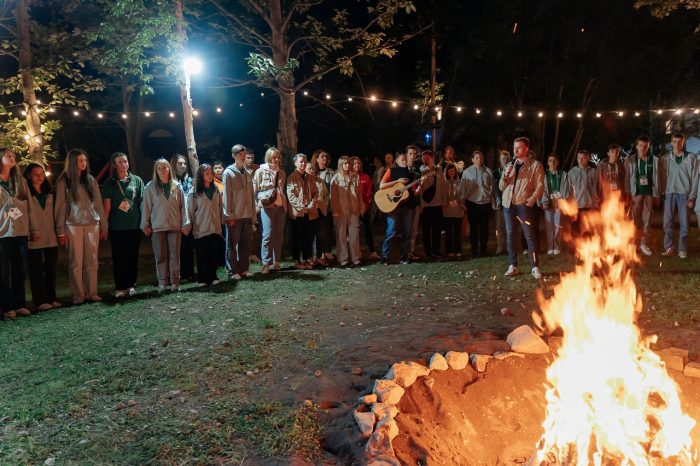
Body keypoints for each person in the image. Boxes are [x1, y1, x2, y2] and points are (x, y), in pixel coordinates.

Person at [55, 149, 108, 304]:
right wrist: (60, 231)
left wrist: (104, 226)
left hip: (92, 224)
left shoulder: (90, 180)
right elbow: (60, 207)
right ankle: (78, 295)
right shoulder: (64, 181)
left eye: (85, 160)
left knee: (92, 260)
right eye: (80, 160)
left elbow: (98, 204)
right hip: (73, 226)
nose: (84, 163)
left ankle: (92, 293)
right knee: (76, 262)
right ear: (72, 162)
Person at [499, 137, 545, 279]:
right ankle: (513, 265)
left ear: (526, 149)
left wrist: (531, 200)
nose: (515, 150)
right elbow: (501, 187)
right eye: (514, 148)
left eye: (518, 147)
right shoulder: (509, 166)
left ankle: (535, 267)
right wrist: (506, 176)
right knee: (511, 235)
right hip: (508, 205)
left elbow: (540, 186)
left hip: (523, 205)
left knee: (529, 236)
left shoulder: (535, 165)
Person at [141, 159, 188, 292]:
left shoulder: (177, 186)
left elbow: (183, 207)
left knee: (174, 254)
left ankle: (175, 282)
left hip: (174, 226)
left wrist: (185, 223)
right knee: (160, 255)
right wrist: (145, 224)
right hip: (158, 226)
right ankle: (162, 282)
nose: (162, 170)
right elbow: (146, 207)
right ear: (156, 170)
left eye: (165, 167)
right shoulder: (150, 187)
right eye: (159, 168)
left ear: (169, 169)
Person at [102, 152, 144, 298]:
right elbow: (106, 206)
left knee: (132, 256)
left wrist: (145, 223)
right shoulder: (110, 183)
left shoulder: (136, 180)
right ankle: (120, 287)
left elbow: (141, 203)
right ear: (114, 164)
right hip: (117, 227)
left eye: (125, 161)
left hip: (134, 226)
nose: (124, 164)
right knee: (119, 257)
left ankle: (131, 285)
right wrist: (104, 226)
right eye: (120, 162)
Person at [24, 163, 60, 312]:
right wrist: (31, 230)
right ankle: (40, 300)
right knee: (36, 269)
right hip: (34, 236)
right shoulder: (25, 193)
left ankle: (52, 297)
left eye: (42, 174)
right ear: (28, 176)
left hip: (50, 236)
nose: (39, 177)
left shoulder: (49, 192)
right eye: (35, 174)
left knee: (51, 268)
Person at [0, 148, 30, 318]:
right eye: (8, 155)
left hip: (20, 232)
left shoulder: (20, 181)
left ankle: (19, 304)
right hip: (2, 234)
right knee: (4, 272)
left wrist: (31, 228)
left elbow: (28, 207)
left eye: (13, 155)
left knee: (20, 269)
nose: (12, 157)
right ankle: (7, 306)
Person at [378, 152, 423, 264]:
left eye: (405, 160)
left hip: (408, 206)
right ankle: (384, 256)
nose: (404, 161)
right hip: (393, 206)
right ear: (396, 161)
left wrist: (421, 184)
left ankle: (404, 256)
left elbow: (414, 192)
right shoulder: (391, 171)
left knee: (407, 232)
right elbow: (381, 186)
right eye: (402, 160)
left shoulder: (411, 174)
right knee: (391, 232)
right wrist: (397, 181)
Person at [184, 164, 224, 286]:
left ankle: (213, 276)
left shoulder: (216, 189)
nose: (210, 176)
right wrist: (190, 225)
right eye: (207, 174)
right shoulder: (194, 192)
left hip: (215, 227)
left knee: (213, 253)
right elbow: (190, 210)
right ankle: (202, 279)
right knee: (202, 254)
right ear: (201, 175)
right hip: (201, 228)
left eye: (211, 173)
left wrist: (221, 222)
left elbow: (220, 207)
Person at [223, 144, 256, 280]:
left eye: (243, 154)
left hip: (247, 214)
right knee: (232, 244)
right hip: (235, 216)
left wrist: (253, 214)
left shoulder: (248, 172)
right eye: (239, 154)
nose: (242, 156)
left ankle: (244, 269)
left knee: (245, 244)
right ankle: (233, 270)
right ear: (233, 156)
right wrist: (228, 215)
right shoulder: (228, 173)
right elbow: (227, 196)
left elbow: (251, 195)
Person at [253, 147, 287, 274]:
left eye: (278, 157)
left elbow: (282, 190)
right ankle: (266, 263)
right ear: (268, 157)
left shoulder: (282, 172)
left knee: (278, 235)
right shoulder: (260, 171)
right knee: (267, 235)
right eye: (274, 157)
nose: (276, 159)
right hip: (267, 207)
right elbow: (254, 191)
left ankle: (276, 261)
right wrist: (259, 204)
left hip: (280, 207)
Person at [623, 136, 658, 256]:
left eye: (645, 146)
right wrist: (627, 193)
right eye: (641, 145)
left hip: (648, 193)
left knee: (647, 220)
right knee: (633, 220)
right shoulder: (630, 160)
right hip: (635, 194)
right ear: (636, 146)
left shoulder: (654, 160)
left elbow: (657, 178)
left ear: (648, 146)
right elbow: (626, 178)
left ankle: (644, 244)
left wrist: (657, 193)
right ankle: (632, 243)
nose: (643, 148)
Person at [287, 153, 318, 269]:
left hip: (309, 212)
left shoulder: (310, 177)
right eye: (300, 161)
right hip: (298, 213)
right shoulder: (291, 177)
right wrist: (301, 207)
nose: (303, 163)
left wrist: (310, 205)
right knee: (297, 236)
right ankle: (297, 260)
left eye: (305, 161)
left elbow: (315, 193)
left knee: (308, 236)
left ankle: (306, 258)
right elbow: (291, 196)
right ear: (295, 163)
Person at [331, 156, 364, 266]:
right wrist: (335, 211)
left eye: (348, 163)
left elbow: (359, 194)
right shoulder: (335, 178)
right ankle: (343, 258)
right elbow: (333, 197)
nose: (347, 165)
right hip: (341, 210)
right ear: (341, 164)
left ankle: (355, 257)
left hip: (354, 209)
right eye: (345, 163)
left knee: (354, 234)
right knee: (341, 235)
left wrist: (360, 207)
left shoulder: (355, 177)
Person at [462, 150, 495, 258]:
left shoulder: (488, 171)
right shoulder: (467, 172)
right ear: (472, 159)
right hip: (472, 202)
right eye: (476, 157)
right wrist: (463, 203)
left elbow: (492, 187)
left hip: (485, 202)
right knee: (474, 228)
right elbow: (463, 188)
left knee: (484, 228)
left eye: (481, 157)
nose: (479, 159)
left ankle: (484, 250)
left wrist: (493, 201)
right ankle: (474, 250)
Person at [171, 153, 195, 281]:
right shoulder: (171, 181)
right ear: (174, 164)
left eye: (184, 164)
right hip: (176, 217)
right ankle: (178, 273)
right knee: (177, 247)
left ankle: (189, 272)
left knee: (188, 245)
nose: (183, 166)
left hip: (189, 216)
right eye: (180, 163)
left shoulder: (189, 180)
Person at [565, 149, 600, 237]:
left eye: (583, 158)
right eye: (579, 158)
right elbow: (568, 190)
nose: (581, 160)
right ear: (576, 159)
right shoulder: (572, 173)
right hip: (577, 206)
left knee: (591, 229)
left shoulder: (593, 172)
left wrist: (597, 201)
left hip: (590, 205)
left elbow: (598, 187)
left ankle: (591, 247)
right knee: (576, 229)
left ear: (588, 158)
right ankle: (575, 248)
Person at [419, 150, 447, 258]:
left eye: (427, 158)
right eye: (423, 159)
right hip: (426, 206)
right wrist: (421, 204)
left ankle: (436, 250)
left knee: (437, 229)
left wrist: (444, 201)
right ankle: (427, 251)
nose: (425, 160)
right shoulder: (421, 171)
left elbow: (443, 187)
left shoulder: (439, 171)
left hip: (438, 205)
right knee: (426, 230)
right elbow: (420, 190)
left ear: (432, 158)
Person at [352, 156, 378, 259]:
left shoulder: (365, 177)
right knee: (354, 232)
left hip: (364, 209)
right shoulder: (349, 177)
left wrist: (365, 207)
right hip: (353, 210)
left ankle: (372, 251)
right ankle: (356, 253)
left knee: (368, 230)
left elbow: (369, 194)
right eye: (354, 163)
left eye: (358, 163)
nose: (357, 165)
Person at [311, 150, 335, 262]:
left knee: (328, 230)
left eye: (326, 157)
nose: (324, 158)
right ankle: (318, 254)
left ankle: (327, 252)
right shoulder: (312, 172)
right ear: (316, 158)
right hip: (315, 206)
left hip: (328, 206)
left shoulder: (331, 172)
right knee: (318, 231)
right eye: (322, 157)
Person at [541, 154, 567, 255]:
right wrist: (543, 201)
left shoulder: (562, 174)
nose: (552, 162)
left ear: (557, 162)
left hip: (558, 202)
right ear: (547, 163)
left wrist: (562, 198)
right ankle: (549, 247)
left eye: (554, 161)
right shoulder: (544, 174)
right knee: (549, 226)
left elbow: (566, 187)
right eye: (550, 160)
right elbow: (542, 189)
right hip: (548, 201)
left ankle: (556, 246)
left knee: (557, 225)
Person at [306, 162, 329, 267]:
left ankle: (320, 256)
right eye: (309, 169)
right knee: (309, 235)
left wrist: (325, 205)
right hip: (309, 211)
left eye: (313, 169)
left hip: (320, 210)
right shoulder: (304, 181)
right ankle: (310, 257)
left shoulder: (320, 181)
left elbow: (326, 194)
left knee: (321, 234)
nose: (312, 171)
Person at [443, 164, 465, 257]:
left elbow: (462, 194)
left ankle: (458, 249)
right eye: (449, 171)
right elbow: (443, 194)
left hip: (457, 209)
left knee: (457, 231)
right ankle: (449, 250)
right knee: (448, 232)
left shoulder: (459, 182)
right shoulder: (444, 182)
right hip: (447, 209)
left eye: (453, 171)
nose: (451, 173)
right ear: (447, 172)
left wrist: (461, 204)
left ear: (455, 172)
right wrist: (446, 203)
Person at [244, 149, 262, 263]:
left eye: (252, 157)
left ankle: (254, 253)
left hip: (257, 202)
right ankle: (246, 254)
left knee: (256, 228)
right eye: (248, 157)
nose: (250, 160)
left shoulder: (258, 168)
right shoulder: (241, 169)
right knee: (247, 230)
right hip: (244, 203)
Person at [406, 145, 422, 260]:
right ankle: (404, 251)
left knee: (414, 229)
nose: (412, 156)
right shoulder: (402, 168)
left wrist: (421, 185)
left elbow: (419, 186)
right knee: (405, 228)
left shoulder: (417, 170)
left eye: (414, 154)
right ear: (406, 155)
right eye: (410, 154)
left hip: (415, 202)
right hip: (404, 203)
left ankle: (411, 251)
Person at [494, 150, 511, 255]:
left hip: (509, 202)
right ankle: (500, 247)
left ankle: (510, 247)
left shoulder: (511, 170)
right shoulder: (495, 172)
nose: (505, 160)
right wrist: (496, 200)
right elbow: (494, 188)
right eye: (503, 158)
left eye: (507, 158)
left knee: (509, 227)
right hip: (500, 202)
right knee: (500, 226)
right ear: (499, 160)